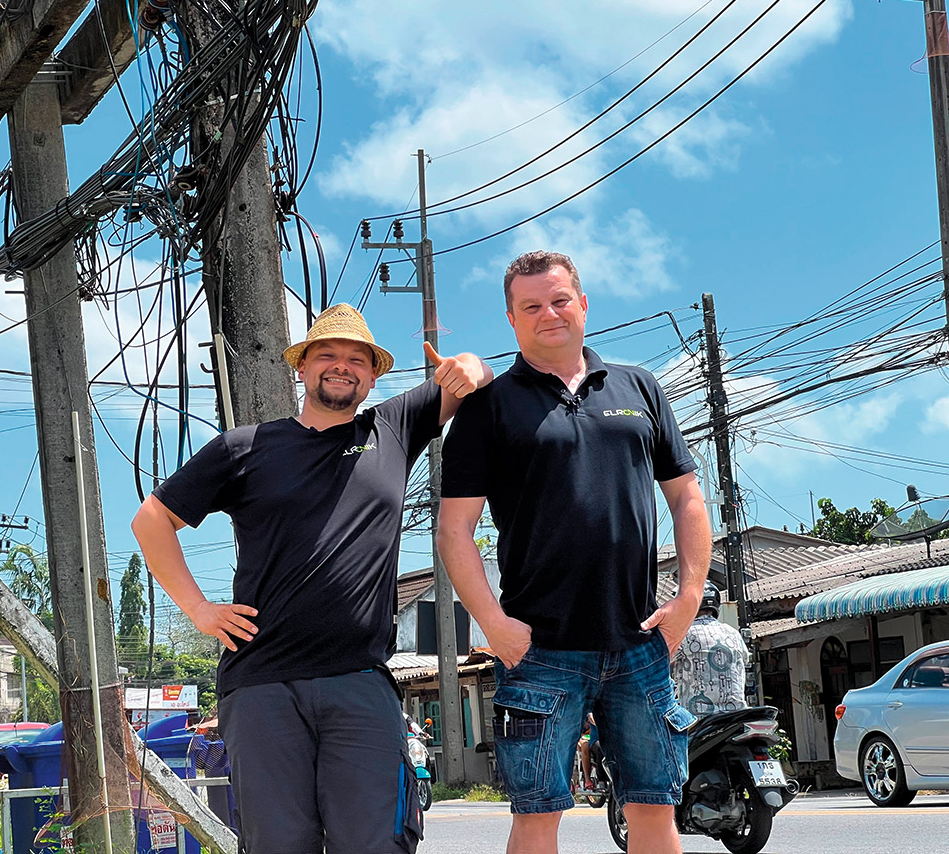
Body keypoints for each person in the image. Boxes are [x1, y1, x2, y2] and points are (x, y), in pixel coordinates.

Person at [130, 303, 492, 854]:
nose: (341, 366)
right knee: (279, 844)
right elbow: (152, 518)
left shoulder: (391, 428)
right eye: (327, 354)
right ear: (301, 367)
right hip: (262, 685)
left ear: (372, 375)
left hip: (361, 681)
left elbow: (472, 372)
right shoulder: (245, 447)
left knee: (376, 842)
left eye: (356, 359)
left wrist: (469, 366)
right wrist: (200, 610)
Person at [436, 251, 712, 854]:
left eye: (560, 300)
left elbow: (687, 498)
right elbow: (454, 529)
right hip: (539, 649)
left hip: (640, 642)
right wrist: (492, 624)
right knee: (537, 816)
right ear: (512, 319)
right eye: (531, 306)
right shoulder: (489, 406)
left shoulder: (640, 387)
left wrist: (689, 597)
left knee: (654, 807)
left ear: (583, 304)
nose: (549, 314)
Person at [671, 581, 749, 715]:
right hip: (737, 715)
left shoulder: (682, 634)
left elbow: (658, 663)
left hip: (698, 718)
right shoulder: (733, 633)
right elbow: (745, 660)